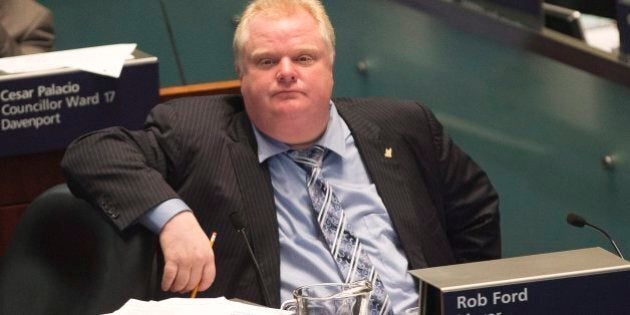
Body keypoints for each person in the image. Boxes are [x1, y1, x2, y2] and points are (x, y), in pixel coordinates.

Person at [61, 0, 500, 313]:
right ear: (241, 74)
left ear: (330, 65)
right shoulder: (197, 130)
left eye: (304, 57)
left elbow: (476, 212)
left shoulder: (404, 126)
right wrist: (173, 218)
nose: (287, 72)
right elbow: (92, 152)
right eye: (267, 61)